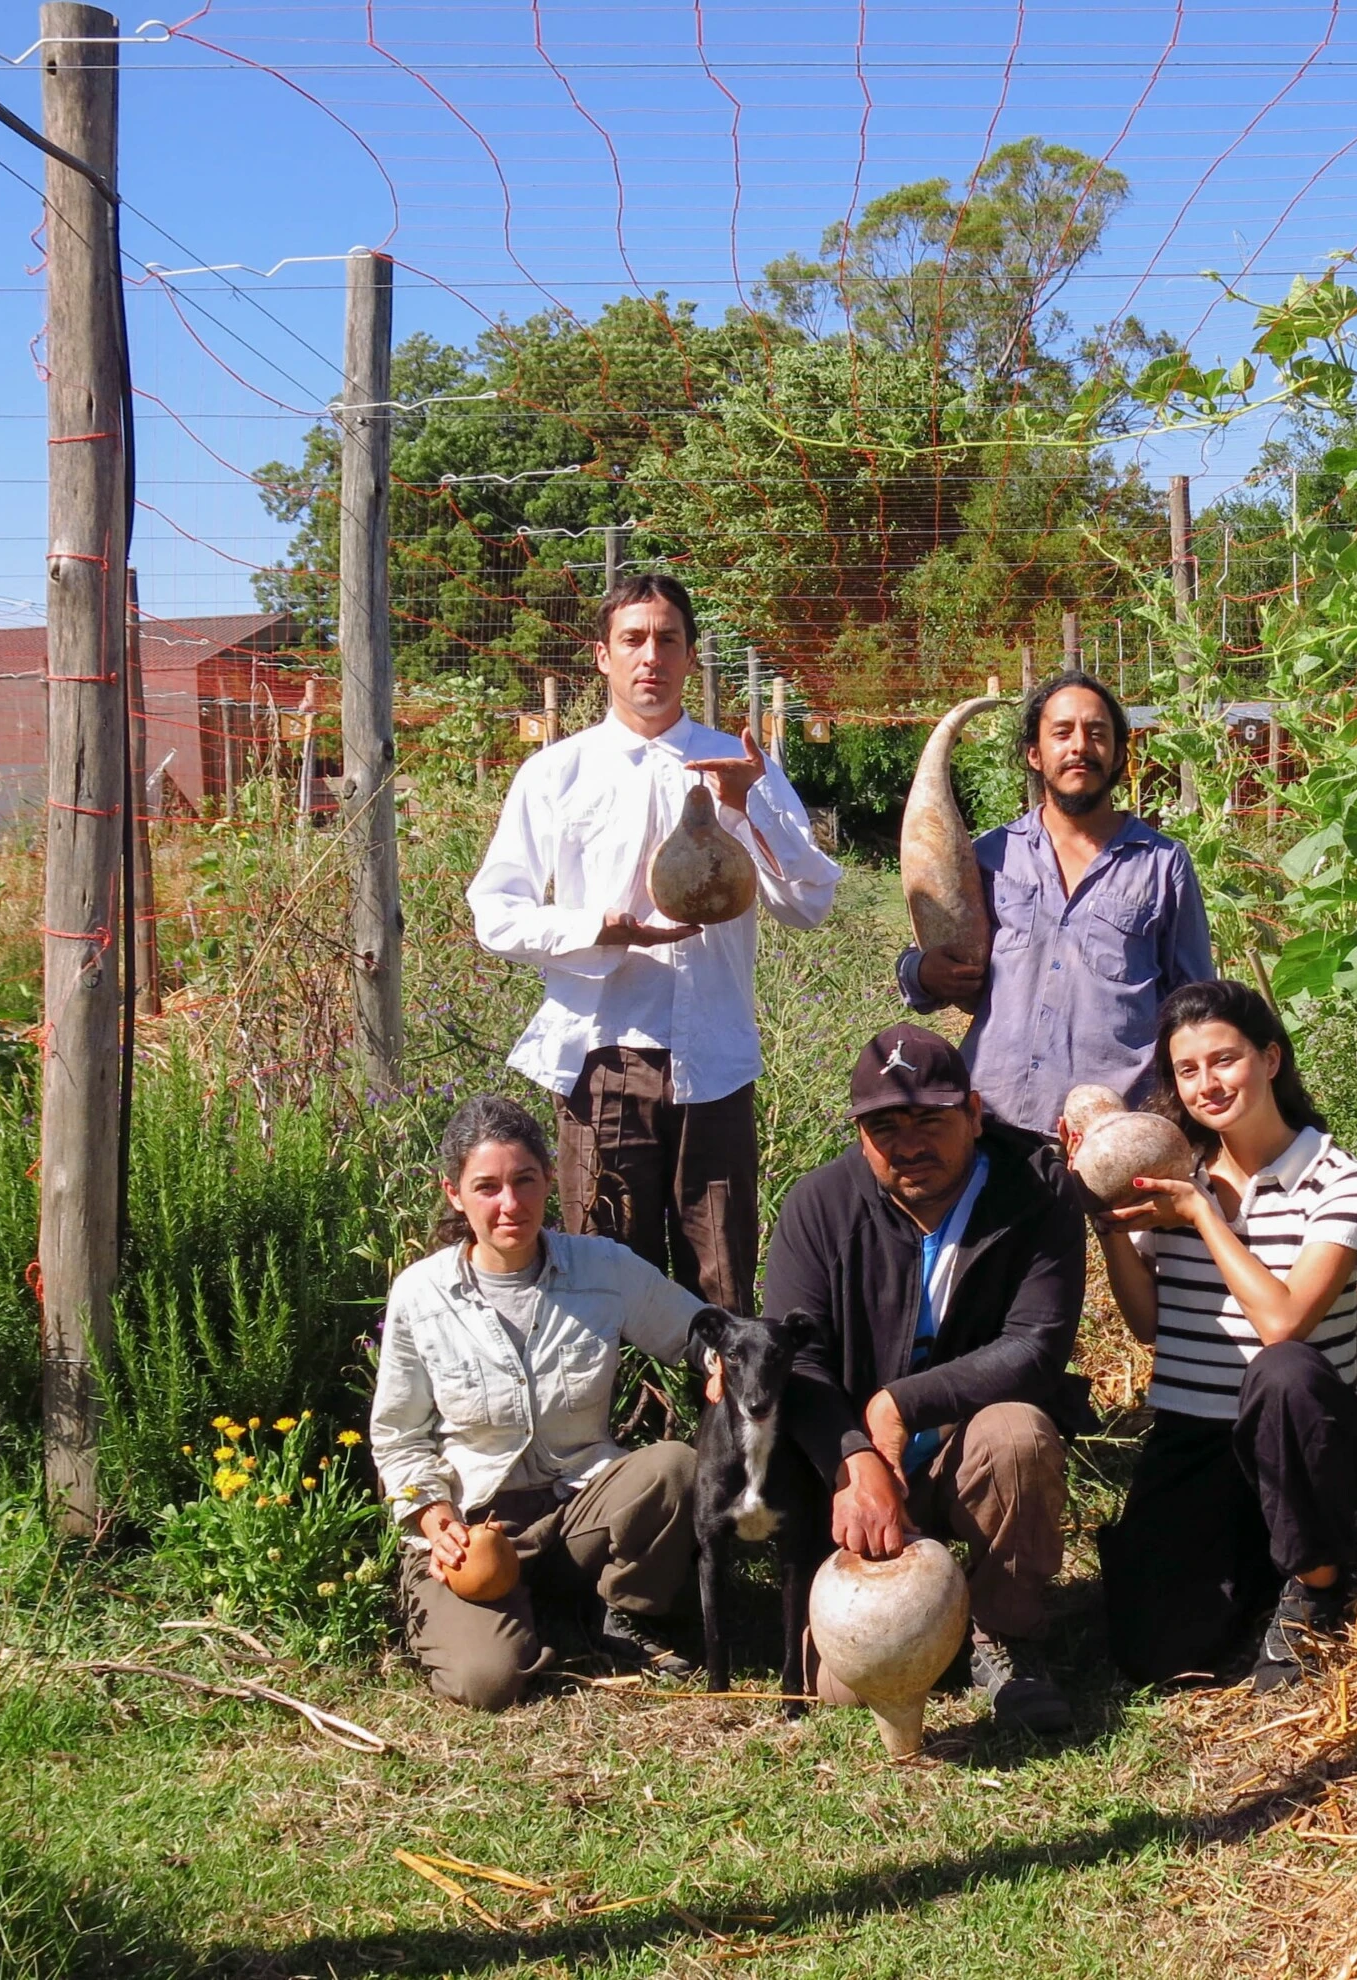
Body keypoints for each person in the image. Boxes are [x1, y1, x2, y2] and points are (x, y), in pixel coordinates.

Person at [469, 573, 841, 1311]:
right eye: (632, 640)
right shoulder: (556, 773)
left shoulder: (741, 764)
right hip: (606, 1054)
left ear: (691, 656)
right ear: (602, 657)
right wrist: (596, 930)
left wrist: (746, 810)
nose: (651, 657)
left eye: (667, 640)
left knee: (724, 1279)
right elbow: (495, 912)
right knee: (606, 1280)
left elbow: (809, 904)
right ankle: (621, 1428)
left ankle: (727, 1425)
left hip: (716, 1058)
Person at [764, 1022, 1087, 1736]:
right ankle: (910, 1608)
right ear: (859, 1136)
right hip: (860, 1480)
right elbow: (800, 1361)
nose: (909, 1144)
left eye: (929, 1120)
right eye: (885, 1127)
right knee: (847, 1690)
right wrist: (853, 1456)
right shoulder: (817, 1207)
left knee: (1019, 1434)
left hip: (965, 1454)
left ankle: (1004, 1634)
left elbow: (1036, 1345)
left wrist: (899, 1404)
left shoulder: (1036, 1193)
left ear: (974, 1113)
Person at [1083, 980, 1357, 1693]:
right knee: (1155, 1656)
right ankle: (1261, 1555)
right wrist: (1112, 1230)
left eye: (1224, 1060)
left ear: (1272, 1059)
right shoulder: (1175, 1176)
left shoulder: (1338, 1180)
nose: (1206, 1084)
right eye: (1187, 1071)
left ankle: (1316, 1583)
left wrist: (1204, 1219)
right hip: (1197, 1436)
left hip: (1307, 1434)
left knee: (1283, 1369)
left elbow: (1284, 1322)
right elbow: (1149, 1325)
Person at [371, 1095, 709, 1711]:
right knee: (486, 1683)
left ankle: (624, 1615)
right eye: (487, 1187)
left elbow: (698, 1332)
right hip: (479, 1532)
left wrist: (725, 1368)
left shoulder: (602, 1269)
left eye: (525, 1181)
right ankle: (538, 1624)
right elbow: (397, 1438)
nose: (510, 1204)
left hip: (581, 1512)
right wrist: (435, 1522)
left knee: (673, 1467)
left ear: (549, 1179)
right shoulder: (421, 1294)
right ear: (454, 1193)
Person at [897, 671, 1213, 1140]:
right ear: (1034, 754)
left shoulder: (1163, 864)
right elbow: (933, 951)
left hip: (1115, 1133)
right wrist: (920, 973)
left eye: (1097, 733)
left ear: (1120, 754)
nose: (1080, 746)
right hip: (992, 1122)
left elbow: (1192, 1004)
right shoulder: (988, 856)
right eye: (1062, 733)